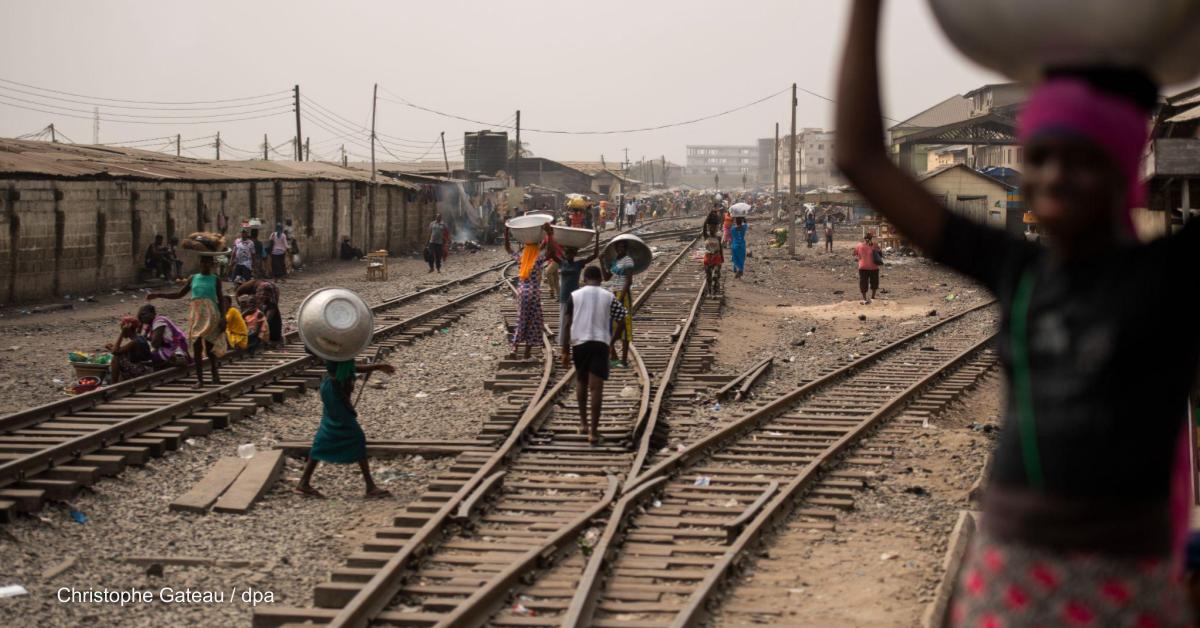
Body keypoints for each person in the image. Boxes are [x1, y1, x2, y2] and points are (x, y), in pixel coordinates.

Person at [836, 2, 1194, 625]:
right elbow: (861, 158)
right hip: (1009, 574)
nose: (1055, 175)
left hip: (1127, 579)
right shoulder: (1017, 271)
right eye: (1042, 157)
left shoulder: (1168, 276)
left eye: (1082, 158)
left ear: (1122, 171)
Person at [295, 359, 395, 499]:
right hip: (335, 392)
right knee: (356, 436)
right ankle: (370, 487)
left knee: (325, 435)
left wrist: (377, 366)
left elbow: (350, 367)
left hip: (333, 390)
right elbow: (343, 368)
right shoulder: (335, 349)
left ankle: (303, 483)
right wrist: (346, 404)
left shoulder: (340, 349)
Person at [561, 265, 628, 445]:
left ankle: (583, 424)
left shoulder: (574, 296)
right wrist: (611, 343)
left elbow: (566, 324)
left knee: (581, 382)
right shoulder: (609, 296)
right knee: (596, 388)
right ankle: (593, 433)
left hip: (579, 343)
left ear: (584, 279)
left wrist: (565, 350)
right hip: (600, 344)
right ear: (600, 279)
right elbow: (622, 319)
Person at [146, 254, 227, 387]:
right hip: (196, 316)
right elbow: (179, 294)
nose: (206, 264)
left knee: (210, 347)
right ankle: (200, 380)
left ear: (212, 264)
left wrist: (224, 318)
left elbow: (221, 299)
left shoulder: (215, 279)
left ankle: (215, 374)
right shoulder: (193, 278)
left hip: (211, 316)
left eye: (208, 262)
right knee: (196, 346)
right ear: (200, 263)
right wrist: (159, 295)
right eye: (203, 262)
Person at [504, 222, 555, 359]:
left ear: (526, 250)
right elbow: (550, 252)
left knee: (521, 320)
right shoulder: (538, 259)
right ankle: (527, 352)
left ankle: (514, 348)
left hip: (522, 292)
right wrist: (549, 234)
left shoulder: (522, 259)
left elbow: (508, 248)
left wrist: (506, 232)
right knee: (533, 322)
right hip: (534, 293)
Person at [550, 230, 601, 345]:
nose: (569, 255)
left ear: (574, 254)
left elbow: (595, 255)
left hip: (575, 296)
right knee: (564, 318)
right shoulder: (562, 263)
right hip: (564, 295)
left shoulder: (579, 264)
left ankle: (575, 339)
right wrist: (550, 236)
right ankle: (563, 341)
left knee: (576, 318)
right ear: (565, 254)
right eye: (567, 253)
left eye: (571, 253)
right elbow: (551, 253)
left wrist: (597, 237)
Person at [603, 240, 634, 367]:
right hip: (613, 294)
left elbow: (628, 281)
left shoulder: (628, 261)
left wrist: (620, 300)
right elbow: (606, 277)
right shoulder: (614, 261)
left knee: (625, 326)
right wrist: (601, 261)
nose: (621, 249)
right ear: (615, 248)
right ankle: (614, 356)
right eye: (619, 247)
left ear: (626, 249)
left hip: (623, 295)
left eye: (623, 247)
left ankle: (624, 359)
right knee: (609, 325)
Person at [107, 315, 156, 382]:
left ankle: (114, 384)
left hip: (143, 371)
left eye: (122, 329)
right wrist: (112, 348)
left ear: (127, 329)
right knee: (120, 354)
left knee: (116, 358)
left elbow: (115, 352)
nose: (121, 330)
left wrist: (122, 333)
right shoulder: (139, 337)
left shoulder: (134, 341)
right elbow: (121, 350)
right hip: (147, 369)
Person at [235, 279, 281, 348]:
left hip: (269, 290)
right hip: (266, 290)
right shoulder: (244, 292)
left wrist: (262, 326)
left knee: (266, 316)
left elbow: (270, 311)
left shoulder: (265, 292)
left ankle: (269, 334)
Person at [852, 233, 881, 304]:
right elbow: (880, 254)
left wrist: (860, 256)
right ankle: (873, 297)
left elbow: (854, 254)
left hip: (862, 267)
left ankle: (864, 298)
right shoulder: (875, 245)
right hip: (874, 267)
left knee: (863, 283)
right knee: (874, 282)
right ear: (871, 238)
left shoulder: (859, 245)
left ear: (864, 238)